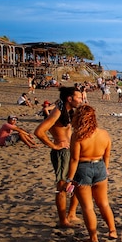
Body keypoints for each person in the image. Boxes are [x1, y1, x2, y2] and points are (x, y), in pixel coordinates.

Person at [66, 105, 118, 242]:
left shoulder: (77, 136)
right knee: (104, 203)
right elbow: (107, 155)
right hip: (100, 166)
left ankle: (93, 237)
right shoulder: (104, 134)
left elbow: (74, 159)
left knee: (88, 207)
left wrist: (69, 178)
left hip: (83, 168)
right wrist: (105, 169)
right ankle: (112, 230)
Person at [35, 86, 83, 227]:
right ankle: (63, 220)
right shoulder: (57, 111)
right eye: (78, 97)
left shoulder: (68, 111)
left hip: (71, 152)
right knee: (62, 185)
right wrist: (54, 145)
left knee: (77, 183)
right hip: (62, 153)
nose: (81, 99)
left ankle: (72, 214)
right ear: (70, 98)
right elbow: (39, 131)